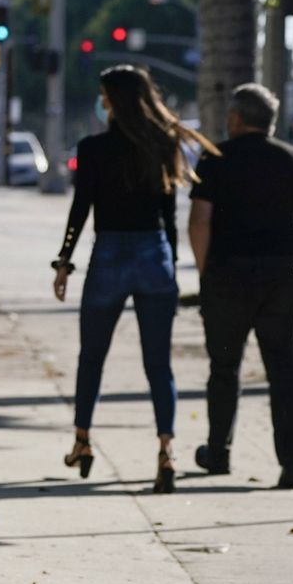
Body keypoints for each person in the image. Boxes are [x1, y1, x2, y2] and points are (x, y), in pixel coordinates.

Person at [52, 64, 218, 493]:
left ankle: (83, 441)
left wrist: (64, 261)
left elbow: (80, 209)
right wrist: (171, 262)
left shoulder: (92, 148)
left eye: (104, 94)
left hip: (109, 254)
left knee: (92, 356)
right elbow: (168, 215)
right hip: (153, 254)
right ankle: (166, 451)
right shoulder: (161, 143)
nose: (101, 100)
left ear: (112, 99)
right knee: (158, 363)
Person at [187, 83, 293, 490]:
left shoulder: (214, 160)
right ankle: (291, 463)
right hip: (281, 278)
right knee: (283, 370)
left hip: (227, 276)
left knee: (224, 368)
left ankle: (218, 453)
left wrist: (205, 271)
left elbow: (199, 221)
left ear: (235, 119)